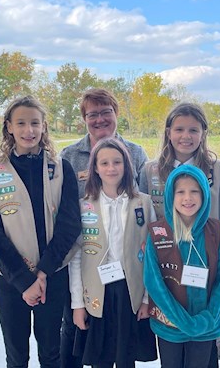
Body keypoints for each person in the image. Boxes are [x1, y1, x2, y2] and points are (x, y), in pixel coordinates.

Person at [0, 96, 81, 367]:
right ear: (9, 127)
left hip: (52, 275)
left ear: (44, 126)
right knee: (16, 356)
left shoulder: (60, 168)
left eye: (35, 123)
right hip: (10, 279)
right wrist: (24, 281)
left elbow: (70, 223)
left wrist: (43, 272)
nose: (29, 130)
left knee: (51, 352)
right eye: (21, 123)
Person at [139, 102, 220, 363]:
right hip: (167, 262)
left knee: (203, 355)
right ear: (168, 132)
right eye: (179, 129)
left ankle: (216, 332)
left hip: (208, 258)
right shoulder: (150, 170)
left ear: (203, 133)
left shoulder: (217, 169)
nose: (186, 136)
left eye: (193, 129)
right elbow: (144, 214)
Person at [60, 88, 148, 367]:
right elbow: (74, 242)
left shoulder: (136, 152)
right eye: (92, 114)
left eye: (105, 112)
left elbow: (143, 220)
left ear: (116, 113)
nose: (99, 119)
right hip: (90, 271)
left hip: (128, 281)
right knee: (82, 342)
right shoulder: (70, 155)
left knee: (124, 352)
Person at [69, 137, 157, 367]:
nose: (111, 168)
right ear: (95, 169)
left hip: (131, 293)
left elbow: (151, 255)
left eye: (117, 162)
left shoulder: (143, 204)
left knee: (126, 357)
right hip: (98, 292)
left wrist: (147, 299)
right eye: (104, 163)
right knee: (101, 358)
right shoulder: (83, 206)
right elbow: (77, 258)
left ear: (126, 166)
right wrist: (77, 304)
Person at [143, 165, 220, 368]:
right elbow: (153, 280)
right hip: (170, 326)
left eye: (194, 191)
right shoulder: (158, 234)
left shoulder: (218, 232)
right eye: (180, 192)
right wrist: (182, 321)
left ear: (204, 194)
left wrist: (207, 318)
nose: (187, 198)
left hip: (205, 324)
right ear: (170, 196)